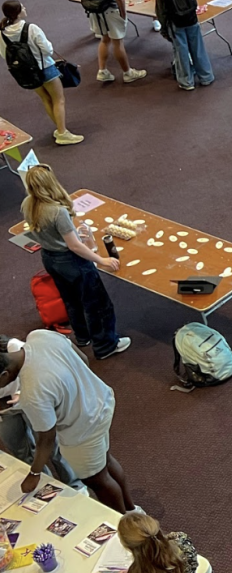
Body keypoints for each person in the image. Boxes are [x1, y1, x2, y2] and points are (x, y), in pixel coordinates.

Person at [0, 329, 133, 511]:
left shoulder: (32, 393)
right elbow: (83, 360)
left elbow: (46, 439)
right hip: (101, 401)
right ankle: (132, 509)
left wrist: (34, 473)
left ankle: (126, 522)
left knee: (97, 480)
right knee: (106, 461)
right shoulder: (39, 335)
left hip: (81, 431)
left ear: (4, 375)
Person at [21, 165, 128, 358]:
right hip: (71, 261)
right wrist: (101, 260)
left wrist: (67, 236)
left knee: (71, 299)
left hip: (49, 258)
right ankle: (105, 345)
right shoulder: (57, 211)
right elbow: (75, 247)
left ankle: (82, 335)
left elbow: (44, 234)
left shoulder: (28, 204)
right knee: (96, 304)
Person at [0, 336, 81, 490]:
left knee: (51, 447)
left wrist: (20, 392)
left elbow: (34, 369)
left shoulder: (13, 347)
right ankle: (46, 487)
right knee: (19, 450)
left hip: (29, 399)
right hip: (4, 410)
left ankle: (75, 485)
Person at [0, 1, 82, 144]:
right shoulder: (31, 28)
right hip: (45, 68)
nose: (25, 8)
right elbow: (47, 50)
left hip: (25, 72)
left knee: (45, 99)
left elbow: (4, 53)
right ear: (18, 12)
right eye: (22, 7)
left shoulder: (2, 32)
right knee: (58, 100)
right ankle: (63, 133)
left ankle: (59, 128)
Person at [153, 0, 214, 91]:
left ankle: (187, 81)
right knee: (198, 49)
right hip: (191, 20)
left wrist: (164, 29)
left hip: (176, 25)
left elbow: (161, 13)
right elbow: (194, 2)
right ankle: (206, 77)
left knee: (181, 52)